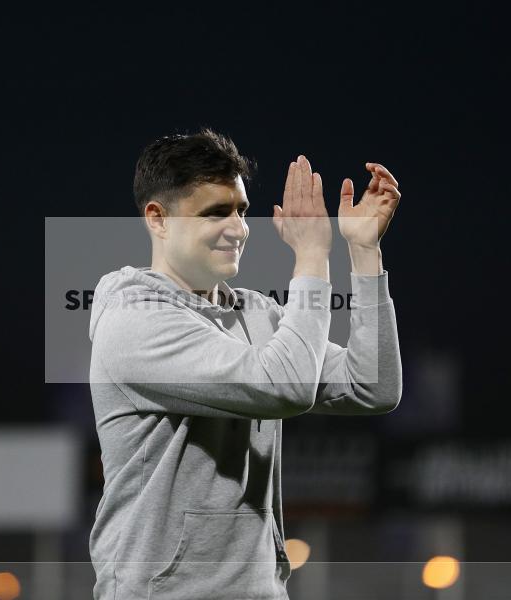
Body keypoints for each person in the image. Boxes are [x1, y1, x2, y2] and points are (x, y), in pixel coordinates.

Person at [88, 129, 402, 599]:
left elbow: (372, 386)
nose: (238, 228)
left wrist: (363, 251)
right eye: (215, 212)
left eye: (241, 210)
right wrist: (313, 255)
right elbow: (284, 388)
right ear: (158, 219)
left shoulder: (256, 312)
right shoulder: (133, 323)